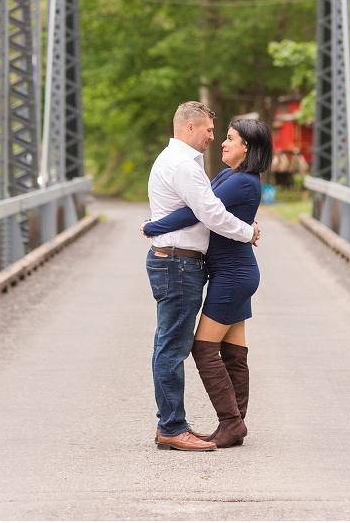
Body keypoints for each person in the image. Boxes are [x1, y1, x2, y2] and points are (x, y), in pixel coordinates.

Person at [143, 117, 273, 449]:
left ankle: (231, 424)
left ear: (247, 147)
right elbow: (204, 207)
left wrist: (154, 226)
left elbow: (197, 212)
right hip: (235, 272)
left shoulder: (242, 180)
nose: (223, 143)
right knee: (233, 351)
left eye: (230, 138)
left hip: (233, 275)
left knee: (203, 348)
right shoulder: (230, 175)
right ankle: (235, 424)